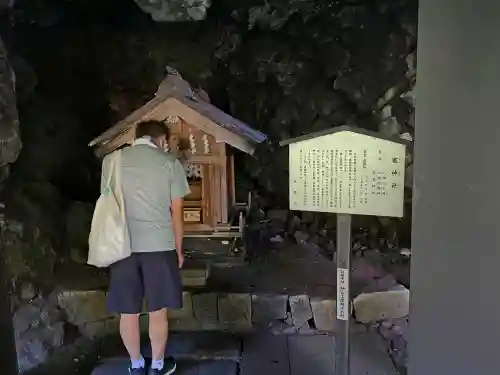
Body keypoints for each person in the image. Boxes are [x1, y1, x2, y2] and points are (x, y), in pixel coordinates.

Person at [104, 120, 190, 375]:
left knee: (127, 313)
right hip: (159, 247)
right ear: (161, 139)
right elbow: (177, 212)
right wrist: (178, 249)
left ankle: (136, 364)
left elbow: (108, 204)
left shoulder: (113, 161)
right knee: (158, 310)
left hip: (123, 247)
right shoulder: (169, 163)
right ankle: (158, 365)